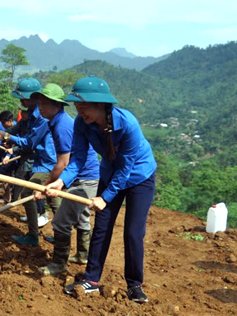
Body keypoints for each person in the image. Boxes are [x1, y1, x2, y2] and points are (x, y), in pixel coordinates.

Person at [44, 76, 157, 304]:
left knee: (133, 232)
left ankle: (135, 285)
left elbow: (126, 168)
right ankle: (91, 280)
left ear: (101, 105)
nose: (80, 111)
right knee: (102, 227)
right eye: (77, 107)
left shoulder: (127, 124)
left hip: (139, 176)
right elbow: (77, 158)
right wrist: (61, 182)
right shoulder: (81, 124)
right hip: (109, 173)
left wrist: (105, 197)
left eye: (83, 106)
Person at [30, 83, 100, 276]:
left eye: (44, 103)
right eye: (39, 103)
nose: (40, 107)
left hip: (84, 177)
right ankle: (83, 255)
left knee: (61, 221)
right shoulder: (57, 121)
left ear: (57, 105)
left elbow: (62, 163)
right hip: (87, 175)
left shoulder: (61, 125)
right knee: (82, 217)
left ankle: (59, 264)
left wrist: (45, 185)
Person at [0, 77, 58, 245]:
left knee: (30, 194)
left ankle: (36, 236)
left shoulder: (42, 117)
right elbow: (17, 129)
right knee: (52, 200)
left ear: (34, 98)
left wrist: (9, 137)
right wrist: (3, 134)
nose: (21, 101)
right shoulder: (29, 114)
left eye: (24, 98)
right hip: (39, 161)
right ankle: (56, 236)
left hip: (48, 164)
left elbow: (30, 142)